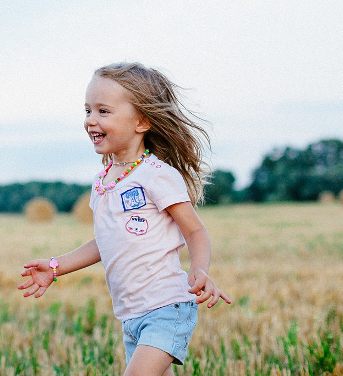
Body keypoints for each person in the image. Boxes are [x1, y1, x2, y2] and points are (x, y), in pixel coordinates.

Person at [18, 62, 231, 376]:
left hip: (166, 309)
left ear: (142, 121)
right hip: (131, 316)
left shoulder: (157, 175)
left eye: (103, 111)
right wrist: (55, 266)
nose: (91, 120)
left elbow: (195, 230)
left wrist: (199, 269)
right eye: (87, 111)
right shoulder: (103, 181)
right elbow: (105, 241)